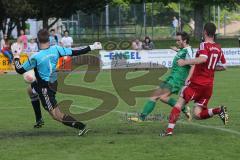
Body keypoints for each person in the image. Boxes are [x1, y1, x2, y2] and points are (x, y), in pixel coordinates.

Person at [13, 29, 102, 135]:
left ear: (38, 40)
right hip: (53, 82)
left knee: (56, 115)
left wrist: (16, 56)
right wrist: (92, 46)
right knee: (30, 90)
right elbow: (75, 52)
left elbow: (19, 70)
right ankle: (39, 119)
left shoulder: (36, 57)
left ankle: (81, 127)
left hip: (45, 88)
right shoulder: (56, 49)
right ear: (49, 39)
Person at [161, 23, 228, 136]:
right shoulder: (218, 48)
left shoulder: (204, 45)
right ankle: (218, 110)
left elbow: (202, 59)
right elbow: (224, 66)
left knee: (178, 104)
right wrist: (210, 68)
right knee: (197, 114)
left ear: (205, 32)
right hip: (208, 86)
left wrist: (184, 62)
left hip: (197, 83)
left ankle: (169, 131)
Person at [128, 32, 194, 122]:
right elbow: (183, 54)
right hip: (171, 77)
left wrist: (188, 78)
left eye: (178, 40)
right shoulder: (183, 50)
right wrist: (177, 50)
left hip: (177, 79)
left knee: (159, 97)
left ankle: (141, 118)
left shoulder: (188, 50)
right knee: (158, 96)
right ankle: (184, 109)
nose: (176, 42)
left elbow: (193, 64)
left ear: (185, 40)